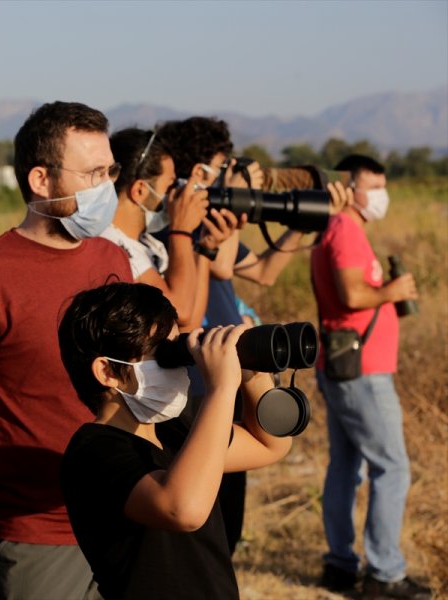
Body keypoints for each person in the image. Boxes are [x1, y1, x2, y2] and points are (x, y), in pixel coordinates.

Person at [0, 101, 133, 600]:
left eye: (110, 171)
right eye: (91, 174)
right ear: (41, 180)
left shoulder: (114, 259)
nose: (106, 187)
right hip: (38, 534)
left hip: (127, 514)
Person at [155, 115, 350, 554]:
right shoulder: (174, 232)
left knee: (229, 511)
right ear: (199, 171)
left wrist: (301, 218)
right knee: (204, 510)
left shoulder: (209, 228)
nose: (230, 177)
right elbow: (220, 266)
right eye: (224, 167)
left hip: (231, 373)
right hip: (199, 380)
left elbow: (262, 271)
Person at [57, 282, 292, 599]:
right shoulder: (93, 450)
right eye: (163, 355)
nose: (180, 365)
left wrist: (251, 370)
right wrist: (221, 389)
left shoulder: (173, 429)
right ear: (108, 371)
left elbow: (270, 444)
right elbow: (183, 509)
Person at [312, 155, 430, 599]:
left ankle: (340, 564)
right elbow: (352, 293)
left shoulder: (335, 229)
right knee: (392, 468)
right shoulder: (344, 230)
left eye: (383, 184)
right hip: (362, 372)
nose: (379, 194)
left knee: (345, 466)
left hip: (345, 366)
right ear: (348, 187)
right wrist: (392, 292)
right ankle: (385, 573)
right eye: (371, 185)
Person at [104, 126, 238, 330]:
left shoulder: (146, 244)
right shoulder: (113, 245)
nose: (174, 195)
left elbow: (190, 322)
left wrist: (204, 248)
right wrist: (181, 230)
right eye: (169, 186)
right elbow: (179, 312)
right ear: (139, 190)